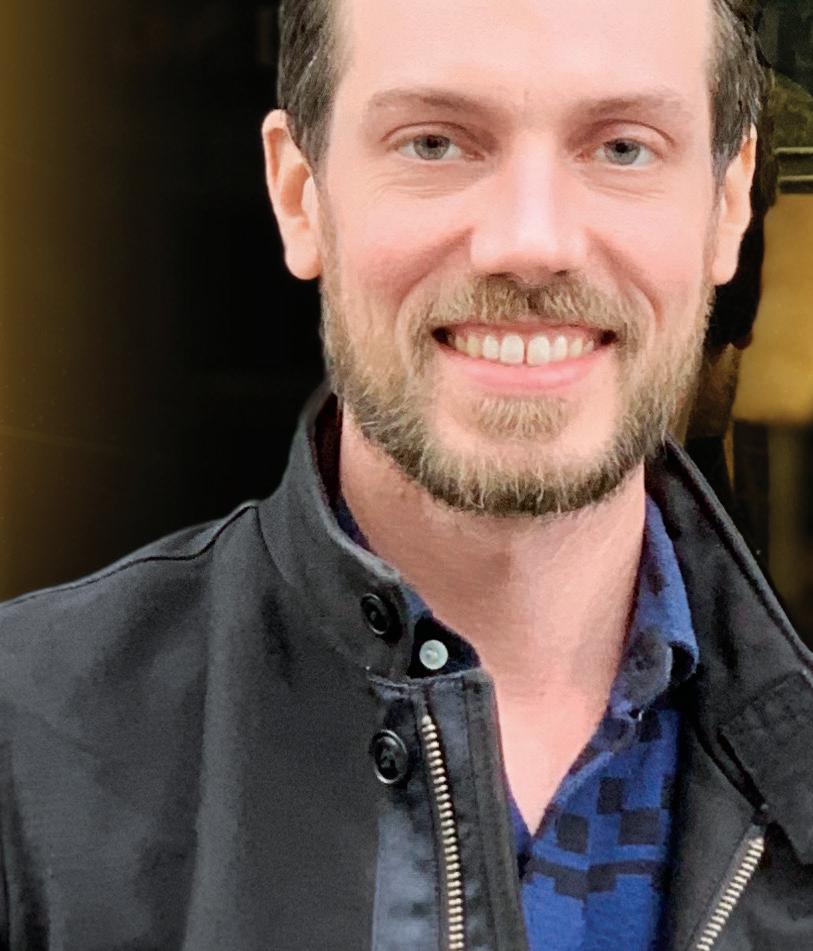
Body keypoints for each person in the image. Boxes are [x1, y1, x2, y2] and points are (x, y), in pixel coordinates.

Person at [0, 0, 811, 948]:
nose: (531, 242)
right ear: (299, 194)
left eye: (623, 148)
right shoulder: (23, 747)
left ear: (725, 206)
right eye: (434, 143)